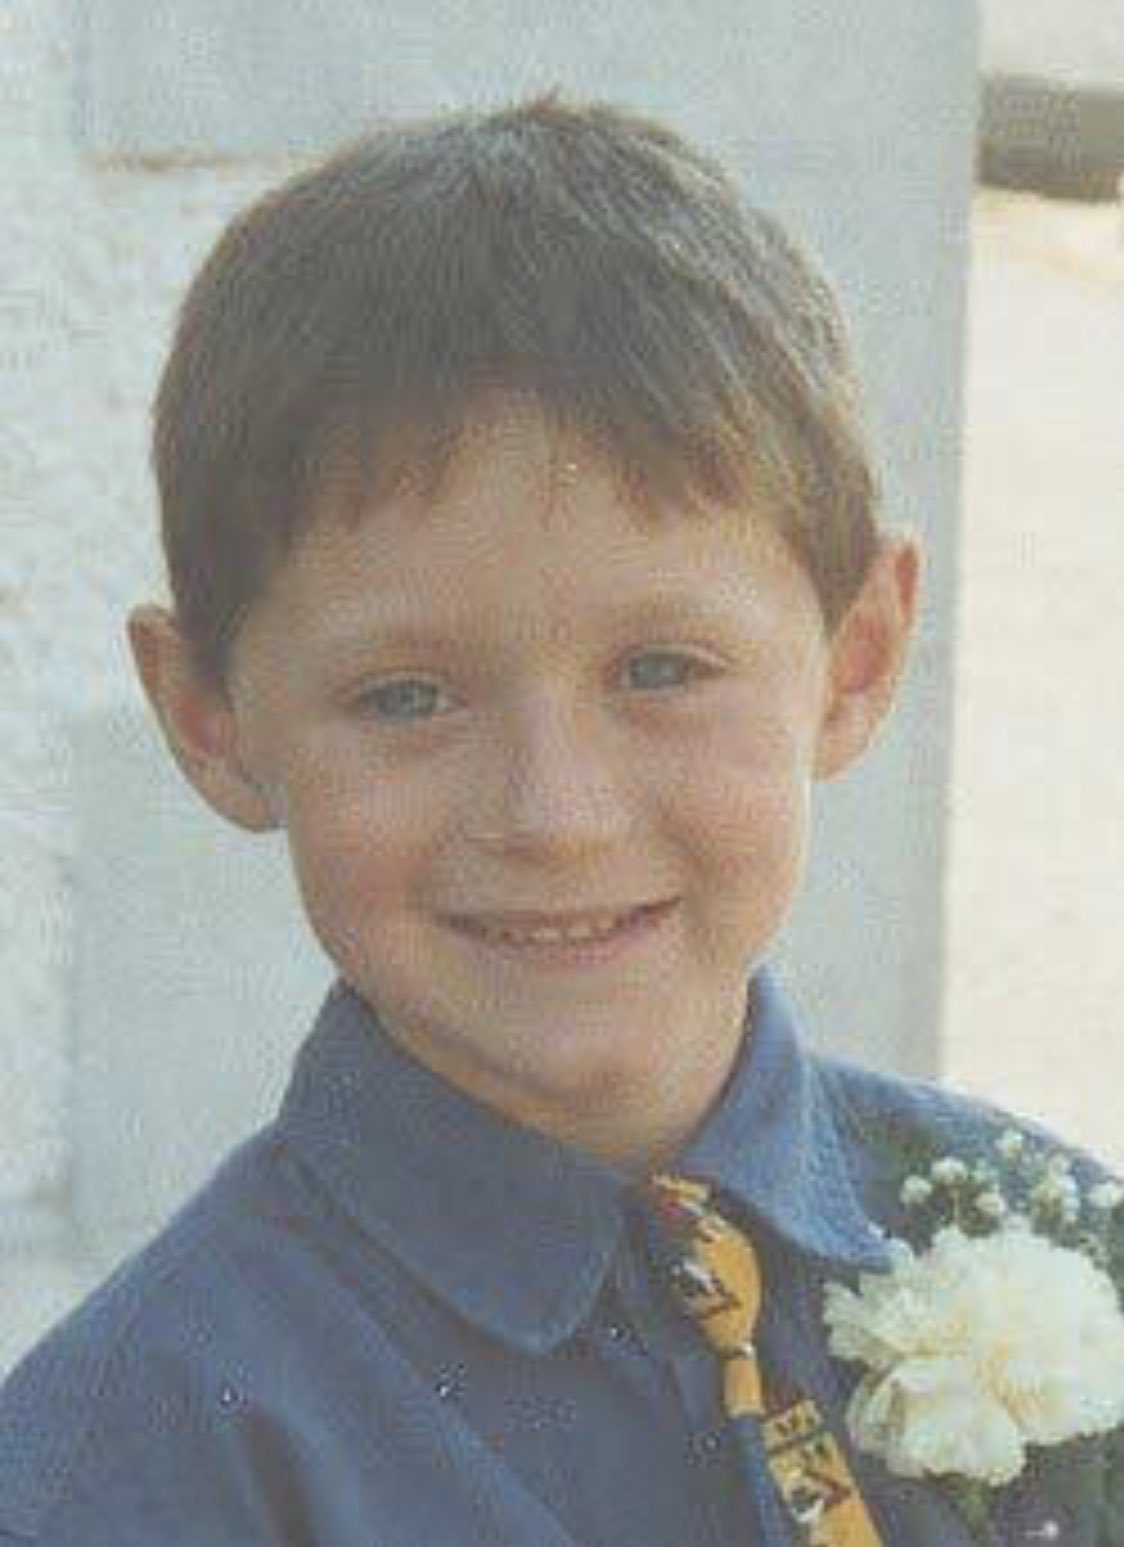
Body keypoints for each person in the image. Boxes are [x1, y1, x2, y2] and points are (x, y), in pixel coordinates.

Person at [1, 93, 1120, 1546]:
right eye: (406, 697)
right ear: (211, 716)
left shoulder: (1063, 1252)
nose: (555, 815)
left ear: (856, 659)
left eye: (661, 671)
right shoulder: (137, 1463)